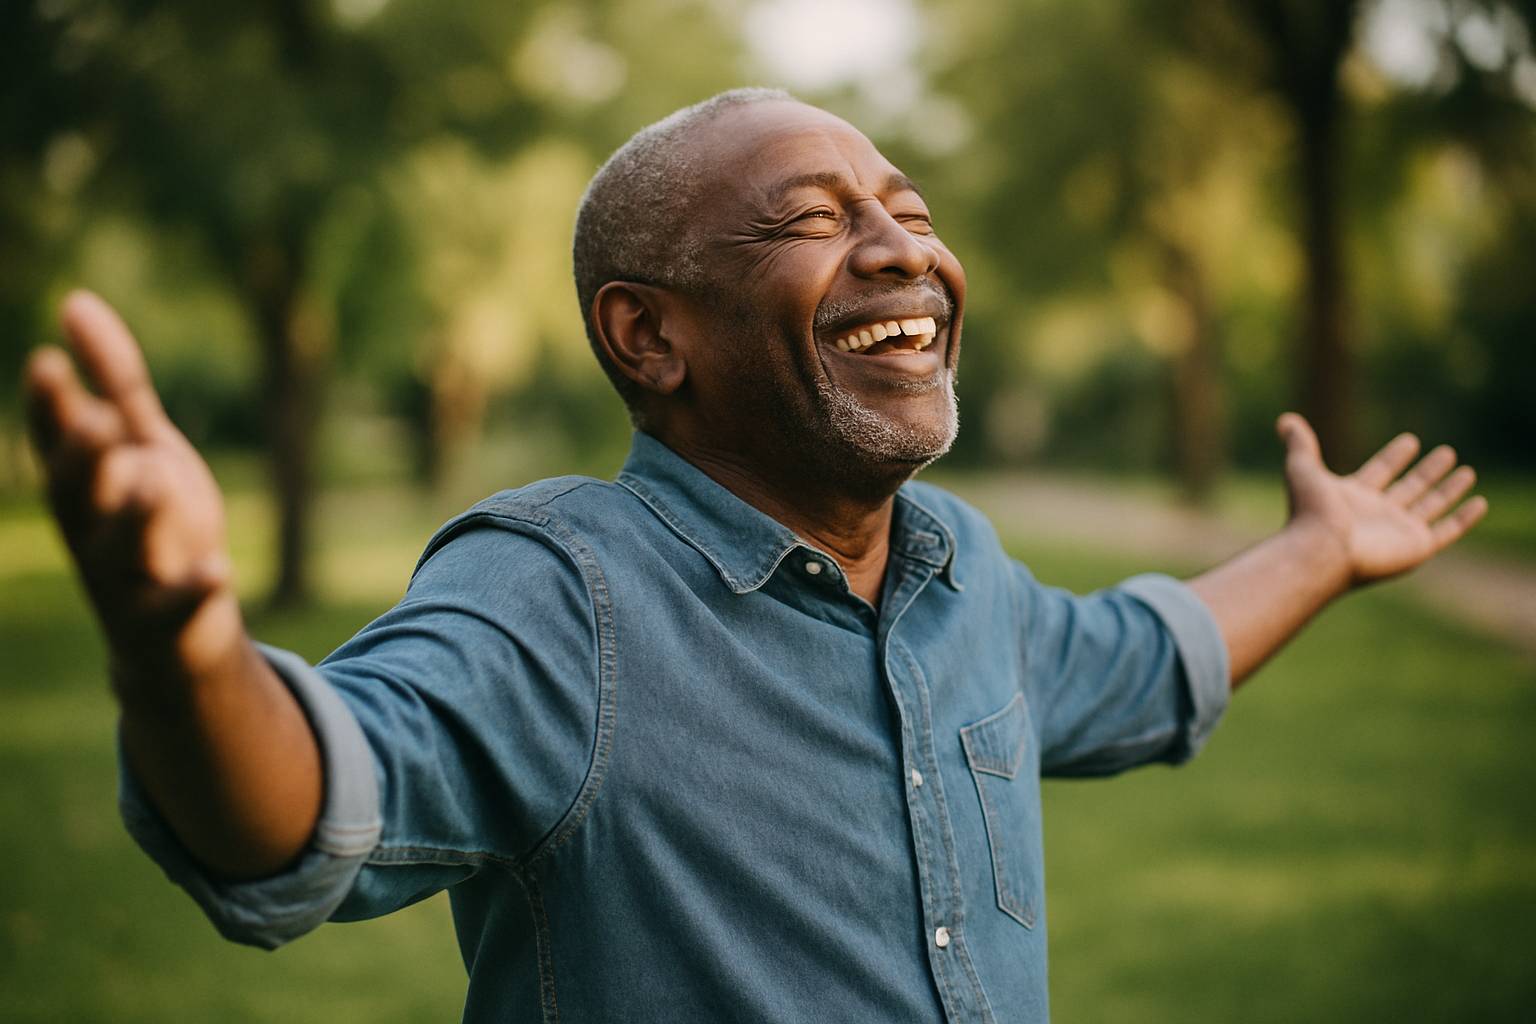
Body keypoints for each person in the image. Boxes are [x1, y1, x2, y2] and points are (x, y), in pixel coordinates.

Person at [24, 89, 1486, 1023]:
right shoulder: (562, 592)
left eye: (909, 213)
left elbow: (1139, 660)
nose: (902, 249)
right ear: (647, 335)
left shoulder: (956, 568)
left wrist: (1321, 550)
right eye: (812, 221)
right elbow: (314, 805)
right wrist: (184, 648)